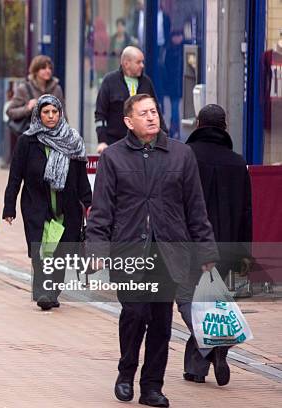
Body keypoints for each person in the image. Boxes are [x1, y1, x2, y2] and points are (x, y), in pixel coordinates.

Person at [86, 94, 218, 407]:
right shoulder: (114, 158)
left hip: (169, 251)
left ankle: (151, 386)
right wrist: (96, 247)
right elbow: (101, 209)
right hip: (128, 249)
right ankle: (125, 371)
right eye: (144, 113)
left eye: (154, 111)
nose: (151, 117)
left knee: (161, 320)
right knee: (135, 313)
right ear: (128, 122)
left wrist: (206, 251)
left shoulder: (180, 155)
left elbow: (195, 208)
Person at [177, 104, 252, 386]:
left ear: (198, 124)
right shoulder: (237, 162)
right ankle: (197, 368)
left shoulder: (186, 156)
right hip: (227, 246)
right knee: (213, 302)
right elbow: (247, 210)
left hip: (189, 242)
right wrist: (245, 253)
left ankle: (213, 344)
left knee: (186, 298)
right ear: (225, 126)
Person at [3, 94, 91, 310]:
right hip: (36, 205)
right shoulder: (27, 141)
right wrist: (9, 206)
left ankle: (53, 291)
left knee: (59, 251)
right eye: (46, 112)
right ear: (38, 115)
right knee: (40, 250)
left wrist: (90, 204)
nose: (51, 116)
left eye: (54, 112)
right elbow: (15, 175)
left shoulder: (73, 140)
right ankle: (42, 292)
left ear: (60, 114)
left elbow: (80, 176)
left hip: (66, 207)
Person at [95, 46, 166, 154]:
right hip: (115, 143)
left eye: (142, 62)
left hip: (143, 144)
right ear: (126, 64)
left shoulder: (146, 82)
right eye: (138, 62)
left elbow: (157, 111)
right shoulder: (109, 81)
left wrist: (164, 136)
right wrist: (102, 141)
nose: (142, 65)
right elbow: (100, 114)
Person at [6, 55, 65, 161]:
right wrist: (28, 108)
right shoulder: (24, 88)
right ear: (35, 70)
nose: (48, 71)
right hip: (32, 141)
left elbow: (62, 114)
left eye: (50, 68)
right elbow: (10, 111)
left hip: (53, 140)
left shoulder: (57, 89)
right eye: (44, 68)